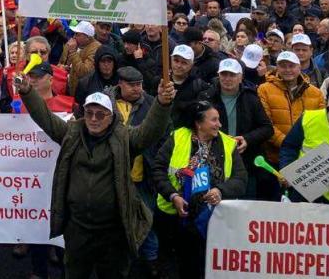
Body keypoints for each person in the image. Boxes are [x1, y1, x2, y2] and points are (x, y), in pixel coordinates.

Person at [16, 69, 176, 279]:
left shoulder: (124, 138)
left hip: (113, 232)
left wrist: (162, 104)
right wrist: (27, 91)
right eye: (89, 112)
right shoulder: (71, 133)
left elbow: (149, 132)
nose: (93, 119)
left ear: (111, 117)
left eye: (100, 114)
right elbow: (45, 118)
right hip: (77, 230)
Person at [153, 100, 247, 279]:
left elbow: (241, 180)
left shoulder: (228, 144)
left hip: (212, 220)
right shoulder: (177, 137)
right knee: (174, 268)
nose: (219, 124)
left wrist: (220, 190)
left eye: (219, 120)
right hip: (174, 218)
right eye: (214, 120)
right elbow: (158, 170)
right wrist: (173, 195)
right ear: (198, 123)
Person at [109, 66, 165, 277]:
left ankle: (150, 260)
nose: (137, 89)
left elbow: (164, 134)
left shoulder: (152, 103)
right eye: (132, 85)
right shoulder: (106, 103)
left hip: (143, 174)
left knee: (146, 219)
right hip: (113, 174)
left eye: (139, 84)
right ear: (120, 84)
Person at [257, 50, 325, 199]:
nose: (287, 70)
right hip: (274, 159)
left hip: (306, 163)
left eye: (291, 66)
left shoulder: (316, 93)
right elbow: (266, 124)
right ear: (277, 68)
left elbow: (321, 126)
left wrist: (303, 150)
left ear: (299, 67)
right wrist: (289, 145)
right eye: (283, 66)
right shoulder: (264, 89)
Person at [201, 58, 274, 196]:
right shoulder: (206, 97)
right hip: (213, 162)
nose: (227, 79)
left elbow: (267, 128)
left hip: (245, 163)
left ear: (241, 77)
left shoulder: (251, 98)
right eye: (224, 74)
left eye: (232, 75)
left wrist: (247, 139)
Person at [167, 44, 209, 128]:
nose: (179, 65)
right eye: (176, 60)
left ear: (191, 64)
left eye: (184, 62)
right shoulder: (161, 81)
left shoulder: (199, 86)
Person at [60, 21, 100, 96]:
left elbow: (84, 72)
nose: (74, 37)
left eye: (77, 34)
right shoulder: (71, 44)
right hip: (67, 88)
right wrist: (62, 67)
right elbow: (61, 63)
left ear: (87, 37)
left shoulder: (96, 48)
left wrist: (72, 52)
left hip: (82, 93)